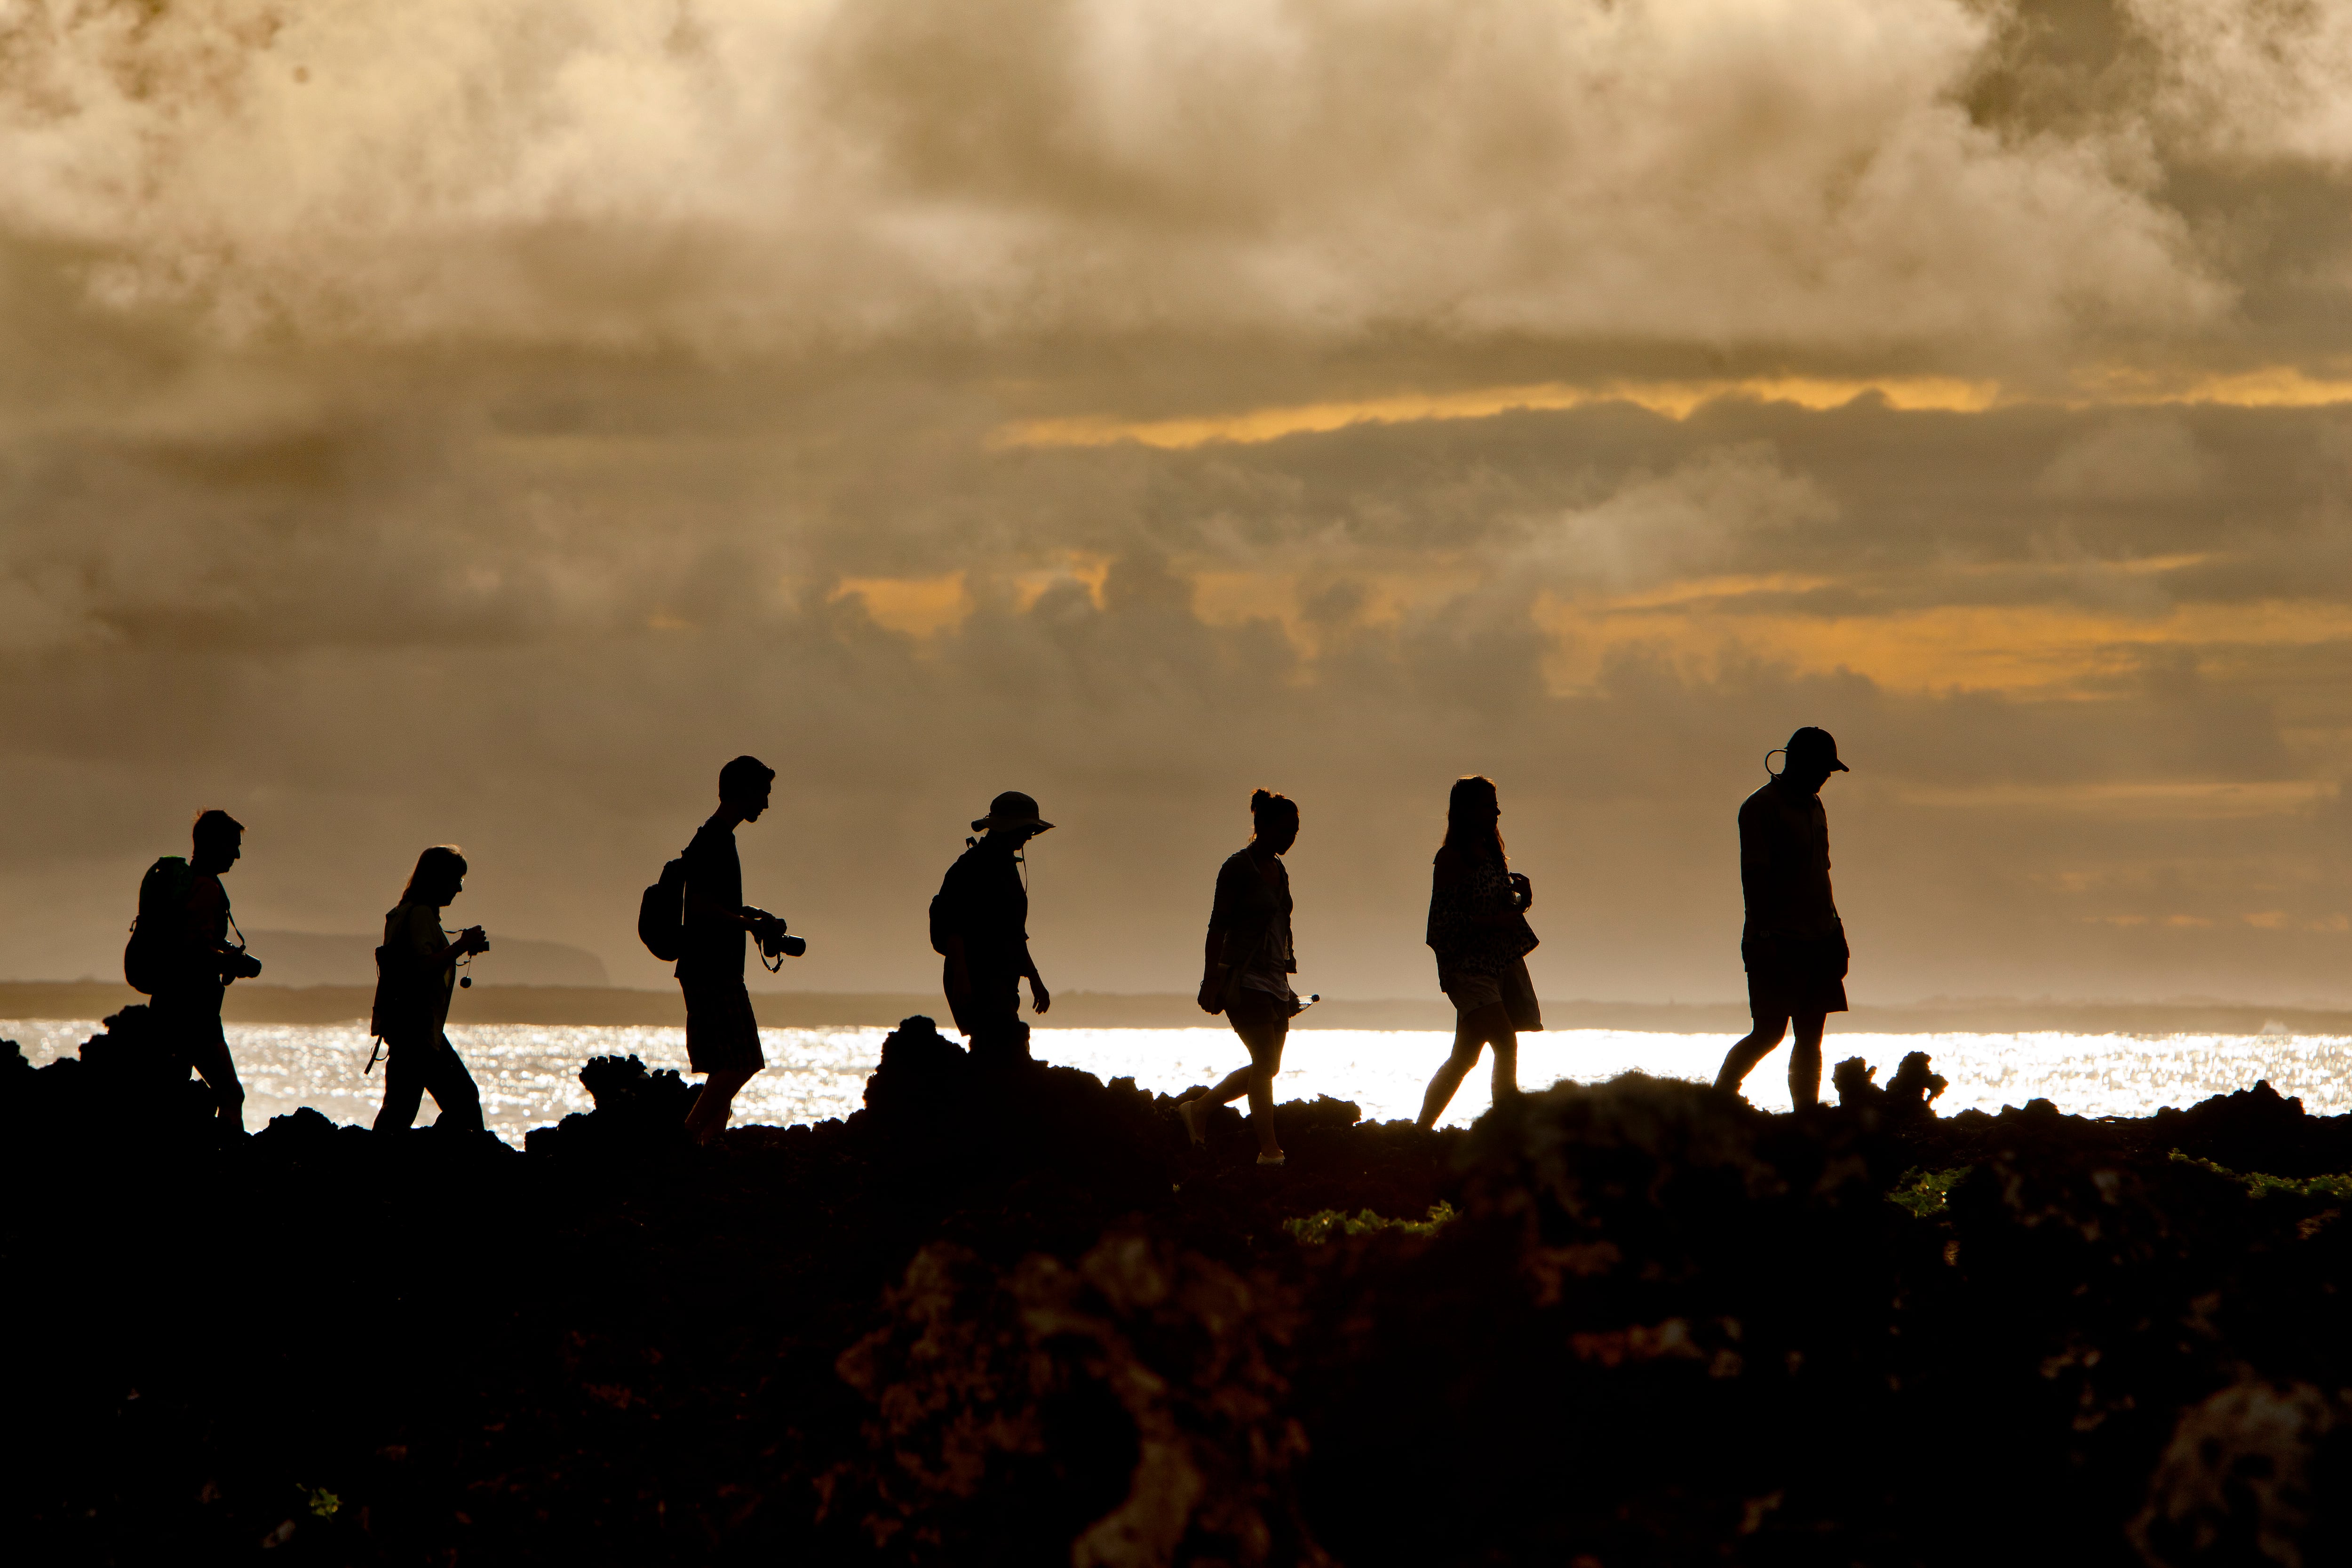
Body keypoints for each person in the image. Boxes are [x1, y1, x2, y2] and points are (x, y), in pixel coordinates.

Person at [1714, 726, 1851, 1111]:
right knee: (1769, 1032)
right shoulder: (1760, 808)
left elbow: (1821, 874)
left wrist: (1837, 930)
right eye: (1823, 768)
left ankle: (1806, 1112)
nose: (1827, 776)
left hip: (1820, 937)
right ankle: (1720, 1097)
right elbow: (1754, 877)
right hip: (1776, 939)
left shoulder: (1815, 807)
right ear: (1801, 763)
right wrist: (1764, 935)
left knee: (1811, 1037)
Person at [1179, 790, 1303, 1166]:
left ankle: (1198, 1109)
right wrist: (1209, 980)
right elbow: (1217, 927)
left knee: (1269, 1066)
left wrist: (1287, 978)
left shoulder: (1280, 870)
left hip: (1275, 980)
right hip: (1242, 978)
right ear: (1261, 825)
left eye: (1296, 830)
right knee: (1265, 1063)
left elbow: (1280, 928)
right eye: (1285, 829)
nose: (1291, 837)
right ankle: (1270, 1150)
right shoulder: (1237, 868)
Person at [677, 755, 791, 1145]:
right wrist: (750, 925)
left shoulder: (716, 838)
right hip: (711, 968)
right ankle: (687, 1138)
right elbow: (702, 908)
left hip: (711, 967)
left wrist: (750, 916)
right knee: (742, 1061)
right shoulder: (715, 840)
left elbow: (711, 902)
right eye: (763, 793)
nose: (766, 803)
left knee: (727, 1063)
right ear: (745, 791)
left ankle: (708, 1147)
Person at [1416, 776, 1541, 1130]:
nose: (1497, 811)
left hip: (1496, 968)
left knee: (1464, 1057)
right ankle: (1507, 1124)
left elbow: (1502, 910)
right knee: (1505, 1041)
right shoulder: (1451, 859)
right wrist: (1493, 922)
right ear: (1467, 811)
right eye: (1489, 804)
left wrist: (1523, 901)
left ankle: (1420, 1130)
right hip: (1467, 971)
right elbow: (1442, 924)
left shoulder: (1491, 854)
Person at [146, 809, 264, 1132]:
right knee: (230, 1093)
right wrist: (235, 962)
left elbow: (196, 940)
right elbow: (195, 949)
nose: (238, 855)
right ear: (214, 844)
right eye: (233, 846)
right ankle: (229, 1162)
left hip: (169, 1003)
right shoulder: (207, 889)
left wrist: (225, 951)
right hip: (194, 1011)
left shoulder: (187, 884)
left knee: (171, 1093)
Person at [930, 791, 1053, 1069]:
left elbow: (1014, 934)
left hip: (1001, 980)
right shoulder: (971, 868)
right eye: (1026, 829)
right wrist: (963, 979)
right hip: (978, 980)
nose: (1030, 837)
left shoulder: (1005, 869)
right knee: (1002, 1047)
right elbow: (954, 928)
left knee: (1000, 1051)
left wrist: (1034, 979)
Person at [372, 846, 489, 1134]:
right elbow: (421, 968)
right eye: (456, 880)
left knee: (398, 1109)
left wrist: (457, 948)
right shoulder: (422, 915)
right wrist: (461, 946)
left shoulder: (403, 913)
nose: (459, 889)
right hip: (417, 1030)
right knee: (463, 1100)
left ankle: (378, 1162)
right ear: (438, 879)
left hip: (404, 1027)